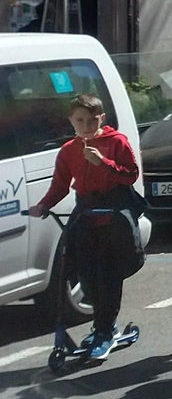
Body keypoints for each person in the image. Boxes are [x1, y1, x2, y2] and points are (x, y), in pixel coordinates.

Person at [27, 95, 140, 359]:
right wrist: (44, 205)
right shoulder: (68, 150)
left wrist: (103, 162)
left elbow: (131, 175)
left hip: (113, 211)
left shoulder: (116, 142)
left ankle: (104, 331)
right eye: (80, 120)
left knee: (108, 275)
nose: (86, 126)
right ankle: (104, 326)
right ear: (71, 121)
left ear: (102, 119)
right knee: (84, 273)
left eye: (92, 120)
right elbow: (60, 185)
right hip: (85, 212)